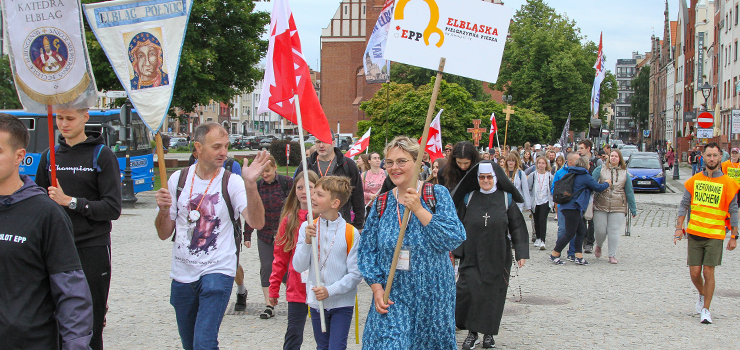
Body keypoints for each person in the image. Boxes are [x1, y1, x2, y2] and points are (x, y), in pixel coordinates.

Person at [154, 122, 269, 349]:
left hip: (218, 271)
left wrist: (251, 185)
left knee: (204, 343)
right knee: (190, 344)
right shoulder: (179, 180)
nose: (224, 152)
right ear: (198, 147)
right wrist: (164, 210)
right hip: (183, 273)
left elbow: (257, 222)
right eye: (217, 146)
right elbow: (164, 233)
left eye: (226, 146)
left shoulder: (232, 181)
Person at [358, 136, 465, 349]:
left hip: (432, 298)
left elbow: (454, 237)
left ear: (417, 162)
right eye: (389, 162)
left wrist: (419, 209)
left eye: (401, 161)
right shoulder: (381, 203)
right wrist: (377, 288)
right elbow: (367, 251)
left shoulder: (436, 194)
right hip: (394, 296)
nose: (394, 167)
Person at [0, 114, 94, 350]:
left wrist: (76, 345)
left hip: (28, 341)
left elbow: (71, 291)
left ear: (19, 156)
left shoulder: (45, 213)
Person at [35, 107, 122, 350]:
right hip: (55, 248)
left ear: (85, 117)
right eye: (60, 118)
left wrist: (70, 201)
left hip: (91, 247)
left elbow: (112, 208)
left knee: (90, 321)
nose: (64, 124)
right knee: (52, 317)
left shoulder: (102, 155)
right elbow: (38, 203)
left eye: (70, 118)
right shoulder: (48, 156)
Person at [452, 161, 529, 349]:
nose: (485, 180)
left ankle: (488, 334)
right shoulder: (469, 198)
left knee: (492, 296)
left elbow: (517, 226)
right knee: (468, 292)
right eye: (482, 177)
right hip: (472, 254)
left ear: (495, 178)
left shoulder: (506, 198)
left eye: (488, 177)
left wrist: (521, 252)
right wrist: (454, 251)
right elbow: (457, 225)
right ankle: (472, 333)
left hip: (497, 254)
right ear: (477, 179)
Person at [293, 176, 362, 350]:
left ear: (335, 203)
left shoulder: (350, 233)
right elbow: (298, 266)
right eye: (313, 193)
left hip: (342, 303)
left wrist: (330, 291)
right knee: (322, 347)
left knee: (336, 347)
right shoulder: (306, 228)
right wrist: (307, 242)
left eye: (319, 194)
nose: (312, 197)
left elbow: (355, 275)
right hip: (317, 303)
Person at [674, 142, 739, 324]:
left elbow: (733, 211)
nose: (712, 159)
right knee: (695, 273)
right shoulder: (694, 180)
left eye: (715, 156)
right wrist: (679, 228)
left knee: (708, 272)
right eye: (708, 155)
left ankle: (706, 310)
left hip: (715, 235)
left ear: (720, 158)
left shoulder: (728, 183)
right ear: (703, 157)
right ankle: (703, 294)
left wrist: (734, 236)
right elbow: (684, 204)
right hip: (695, 233)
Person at [269, 170, 317, 350]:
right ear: (294, 191)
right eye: (300, 187)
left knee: (324, 333)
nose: (304, 191)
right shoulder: (288, 221)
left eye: (310, 187)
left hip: (321, 286)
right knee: (294, 332)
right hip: (297, 287)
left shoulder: (325, 218)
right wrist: (273, 288)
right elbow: (279, 258)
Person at [243, 155, 294, 318]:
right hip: (265, 233)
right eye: (262, 172)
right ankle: (269, 305)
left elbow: (296, 204)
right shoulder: (257, 186)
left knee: (287, 269)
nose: (265, 174)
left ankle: (297, 298)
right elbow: (252, 210)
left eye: (268, 171)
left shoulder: (287, 183)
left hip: (285, 233)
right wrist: (247, 234)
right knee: (266, 266)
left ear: (275, 168)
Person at [548, 156, 610, 266]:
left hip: (568, 206)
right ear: (586, 165)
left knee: (581, 231)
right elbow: (598, 188)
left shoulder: (571, 173)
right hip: (573, 207)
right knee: (569, 233)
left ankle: (578, 256)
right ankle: (554, 254)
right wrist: (607, 183)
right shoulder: (585, 176)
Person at [296, 138, 365, 230]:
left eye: (325, 141)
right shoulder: (306, 164)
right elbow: (296, 192)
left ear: (333, 143)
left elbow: (358, 195)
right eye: (318, 142)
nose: (321, 145)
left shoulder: (347, 164)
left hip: (340, 222)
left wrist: (359, 224)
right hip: (312, 223)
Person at [592, 149, 637, 264]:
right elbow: (592, 183)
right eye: (612, 156)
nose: (613, 158)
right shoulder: (600, 169)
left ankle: (612, 255)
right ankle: (599, 244)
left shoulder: (625, 173)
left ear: (620, 159)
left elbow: (629, 191)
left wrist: (633, 208)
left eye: (616, 156)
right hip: (600, 204)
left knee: (614, 231)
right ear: (608, 157)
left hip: (618, 205)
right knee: (600, 230)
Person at [577, 139, 602, 254]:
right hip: (581, 194)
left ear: (588, 149)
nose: (579, 150)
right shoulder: (579, 160)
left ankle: (589, 242)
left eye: (582, 148)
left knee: (591, 219)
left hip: (593, 194)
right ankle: (582, 238)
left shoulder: (597, 162)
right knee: (580, 218)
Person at [528, 156, 554, 250]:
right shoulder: (533, 175)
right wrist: (530, 199)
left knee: (543, 220)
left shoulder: (550, 176)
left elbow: (552, 189)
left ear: (546, 165)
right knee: (536, 220)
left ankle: (543, 240)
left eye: (543, 163)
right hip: (535, 200)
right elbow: (529, 188)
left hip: (545, 200)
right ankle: (538, 237)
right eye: (539, 163)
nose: (541, 165)